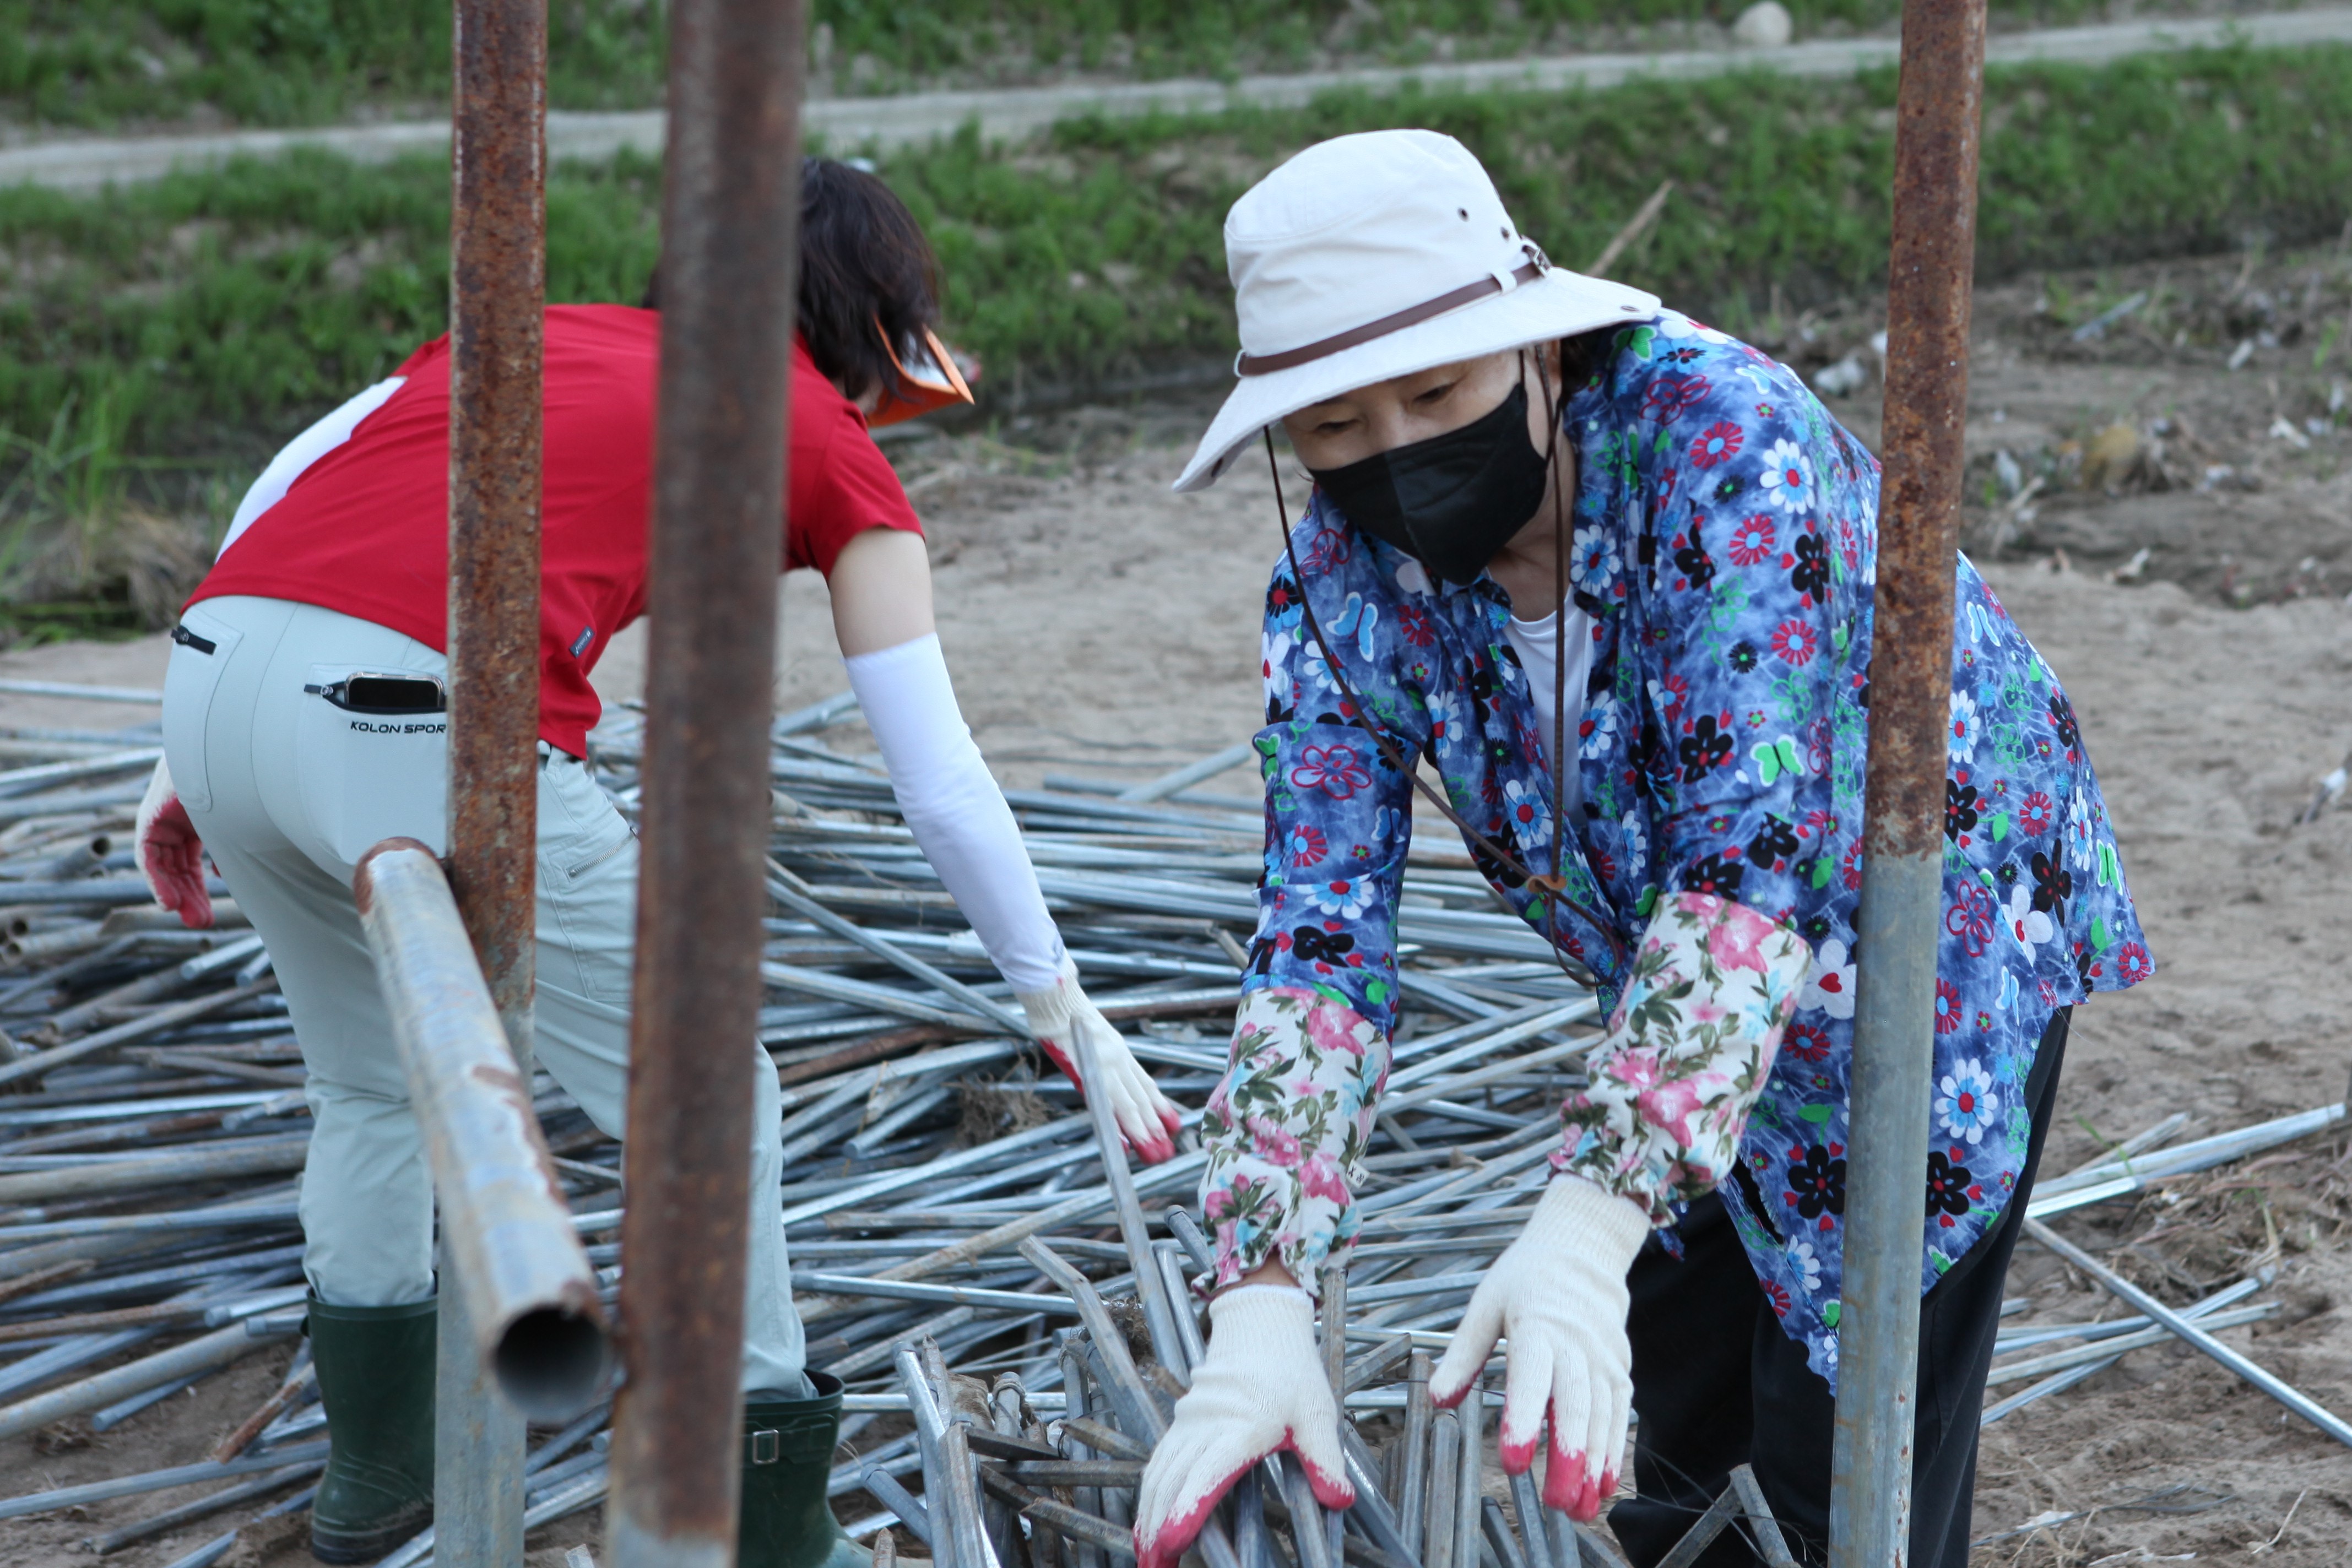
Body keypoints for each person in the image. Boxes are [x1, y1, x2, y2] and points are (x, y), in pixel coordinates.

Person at [135, 159, 1182, 1568]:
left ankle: (375, 1479)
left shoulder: (534, 334)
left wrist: (195, 754)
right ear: (880, 328)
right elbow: (935, 773)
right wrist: (1052, 992)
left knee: (370, 1085)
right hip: (409, 722)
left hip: (211, 680)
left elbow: (294, 478)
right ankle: (758, 1520)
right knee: (705, 1098)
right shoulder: (818, 428)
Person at [1131, 131, 2152, 1568]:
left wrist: (1590, 1213)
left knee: (1836, 1465)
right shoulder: (1342, 585)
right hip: (1671, 1009)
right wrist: (1260, 1299)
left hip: (1927, 939)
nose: (1395, 457)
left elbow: (1748, 868)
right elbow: (1317, 943)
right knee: (1655, 1424)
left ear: (1535, 350)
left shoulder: (1710, 441)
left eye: (1436, 391)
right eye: (1333, 430)